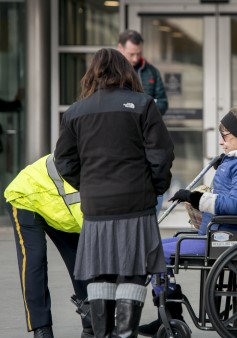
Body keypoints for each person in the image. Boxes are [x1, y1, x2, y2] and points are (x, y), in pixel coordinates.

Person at [54, 48, 175, 337]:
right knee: (133, 273)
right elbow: (162, 154)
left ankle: (102, 334)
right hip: (137, 203)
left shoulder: (75, 112)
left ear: (92, 73)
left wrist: (88, 186)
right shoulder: (143, 104)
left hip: (96, 208)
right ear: (126, 71)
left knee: (100, 274)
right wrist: (155, 188)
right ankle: (125, 334)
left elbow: (63, 161)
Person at [138, 107, 237, 336]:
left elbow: (235, 205)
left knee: (154, 252)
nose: (222, 142)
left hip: (227, 237)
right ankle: (169, 316)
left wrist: (196, 198)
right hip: (220, 232)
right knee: (154, 248)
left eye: (225, 136)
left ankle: (171, 317)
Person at [4, 154, 93, 338]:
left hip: (60, 208)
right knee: (34, 261)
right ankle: (41, 328)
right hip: (26, 197)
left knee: (81, 259)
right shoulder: (91, 185)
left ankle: (92, 324)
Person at [117, 29, 170, 215]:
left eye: (139, 53)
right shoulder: (112, 73)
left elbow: (163, 102)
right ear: (120, 48)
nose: (135, 58)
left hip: (147, 133)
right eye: (131, 54)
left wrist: (147, 105)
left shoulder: (151, 71)